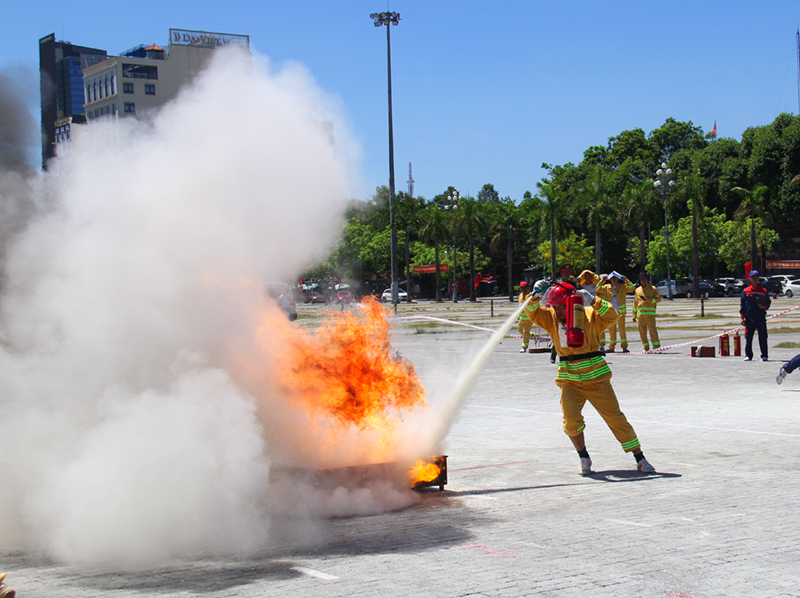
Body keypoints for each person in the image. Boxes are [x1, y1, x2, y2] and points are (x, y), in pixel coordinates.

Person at [523, 282, 656, 475]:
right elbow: (531, 312)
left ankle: (640, 458)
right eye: (555, 306)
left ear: (571, 302)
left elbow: (612, 315)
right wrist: (535, 296)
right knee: (570, 420)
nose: (558, 310)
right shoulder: (550, 317)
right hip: (569, 379)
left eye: (561, 306)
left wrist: (593, 299)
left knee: (615, 418)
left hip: (597, 378)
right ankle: (583, 457)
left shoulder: (589, 314)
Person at [597, 271, 634, 353]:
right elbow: (598, 288)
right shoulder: (606, 287)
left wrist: (626, 280)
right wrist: (602, 280)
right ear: (610, 279)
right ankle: (611, 347)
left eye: (615, 278)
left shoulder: (622, 286)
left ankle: (624, 347)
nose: (614, 280)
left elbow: (632, 288)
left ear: (617, 279)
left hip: (621, 312)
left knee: (622, 330)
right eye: (612, 278)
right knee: (612, 330)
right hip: (611, 313)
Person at [740, 270, 770, 361]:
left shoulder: (763, 291)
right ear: (750, 279)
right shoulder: (745, 291)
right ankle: (748, 355)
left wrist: (764, 306)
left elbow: (768, 303)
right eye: (753, 277)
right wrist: (742, 317)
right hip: (750, 318)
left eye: (757, 277)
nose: (755, 279)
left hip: (760, 318)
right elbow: (742, 305)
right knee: (748, 338)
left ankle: (764, 355)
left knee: (763, 337)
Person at [550, 265, 576, 363]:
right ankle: (553, 354)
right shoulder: (556, 284)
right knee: (558, 334)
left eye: (568, 272)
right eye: (565, 272)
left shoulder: (573, 283)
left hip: (571, 311)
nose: (567, 273)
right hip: (560, 311)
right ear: (561, 273)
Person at [632, 273, 662, 351]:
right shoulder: (637, 290)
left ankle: (656, 347)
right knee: (642, 332)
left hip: (650, 315)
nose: (643, 281)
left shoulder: (653, 289)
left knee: (653, 331)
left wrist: (648, 299)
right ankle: (645, 347)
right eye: (642, 280)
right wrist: (634, 315)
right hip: (640, 315)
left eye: (645, 280)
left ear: (647, 280)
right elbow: (635, 303)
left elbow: (658, 299)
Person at [518, 281, 533, 353]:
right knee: (520, 330)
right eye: (522, 288)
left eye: (525, 288)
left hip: (528, 319)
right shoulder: (520, 295)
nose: (523, 289)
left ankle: (524, 347)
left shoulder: (530, 295)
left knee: (525, 332)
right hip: (521, 318)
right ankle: (532, 335)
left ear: (528, 288)